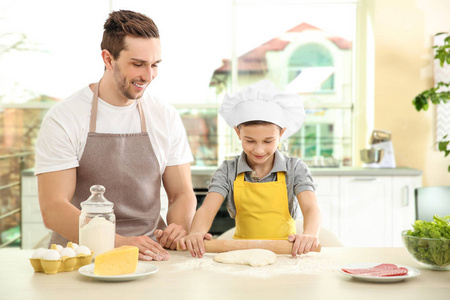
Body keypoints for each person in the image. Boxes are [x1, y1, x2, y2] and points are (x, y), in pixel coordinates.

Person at [35, 10, 197, 261]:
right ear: (108, 59)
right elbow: (54, 208)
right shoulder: (64, 118)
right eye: (137, 64)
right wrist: (118, 242)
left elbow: (181, 194)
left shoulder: (165, 116)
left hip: (150, 255)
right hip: (81, 256)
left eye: (154, 65)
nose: (148, 75)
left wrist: (177, 228)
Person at [180, 80, 322, 258]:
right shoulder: (228, 170)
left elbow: (311, 208)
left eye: (268, 141)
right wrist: (196, 233)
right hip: (242, 256)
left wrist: (310, 234)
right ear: (238, 133)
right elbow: (207, 209)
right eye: (250, 141)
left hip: (286, 256)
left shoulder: (294, 168)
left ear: (281, 134)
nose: (259, 150)